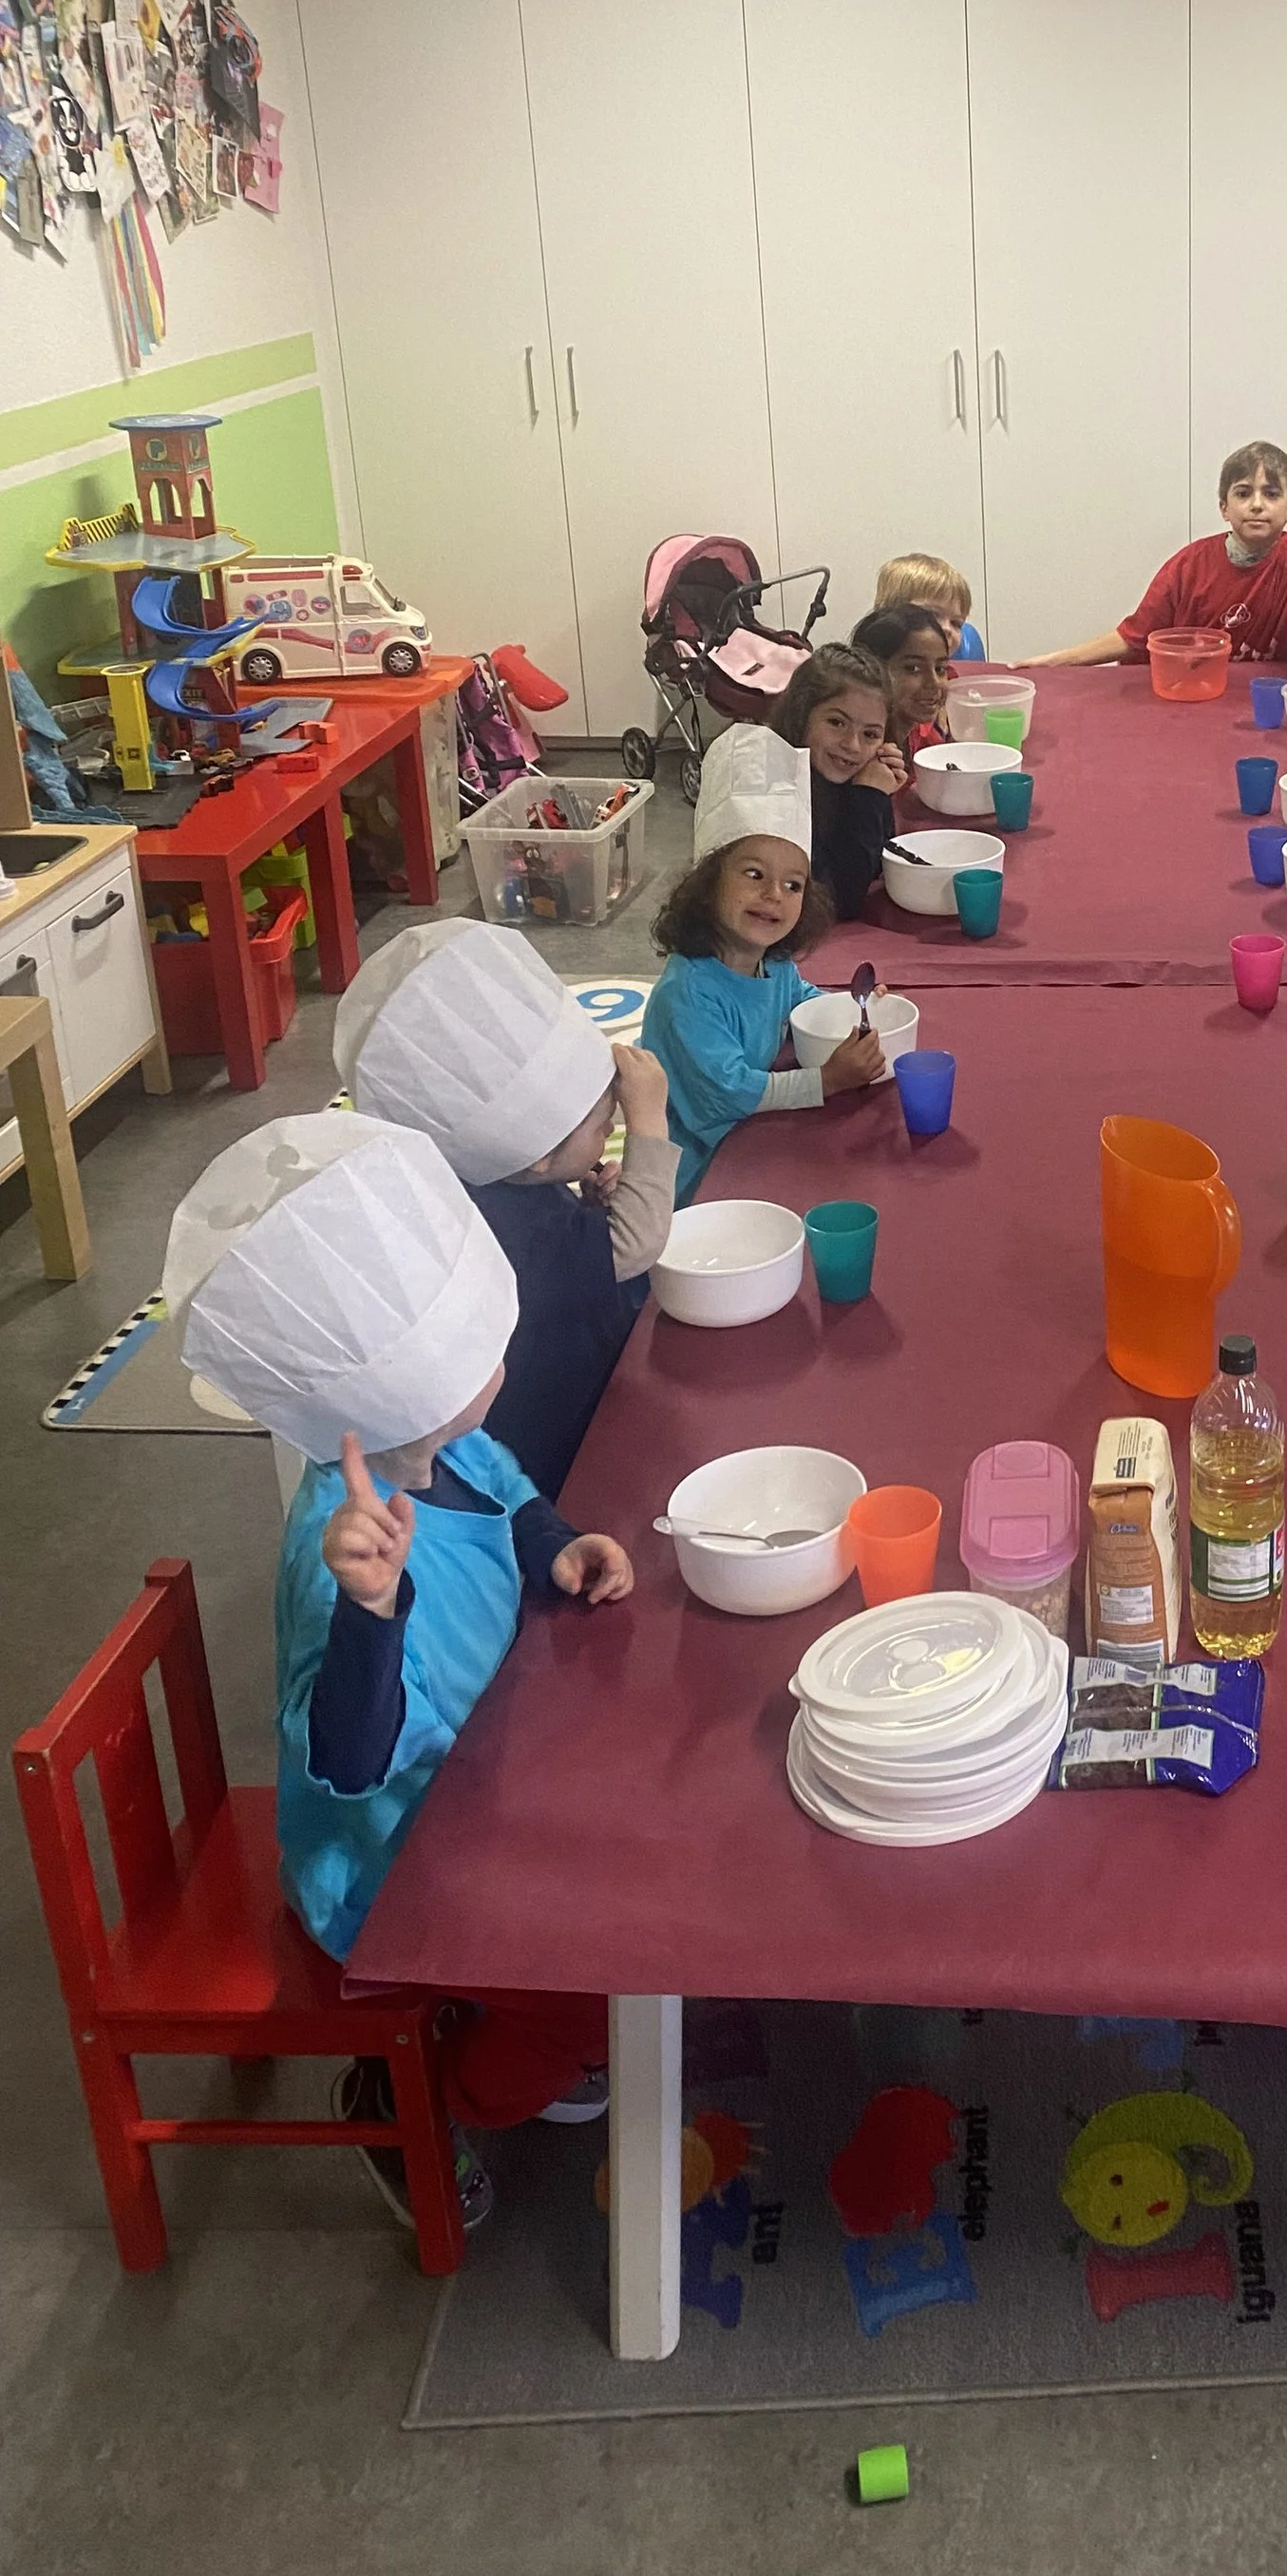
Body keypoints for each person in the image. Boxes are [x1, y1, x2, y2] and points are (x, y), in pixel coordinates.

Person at [164, 1114, 635, 2223]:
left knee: (629, 1910)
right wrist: (374, 1612)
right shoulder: (350, 1554)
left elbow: (509, 1494)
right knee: (598, 1999)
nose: (500, 1365)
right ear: (381, 1399)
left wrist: (556, 1543)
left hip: (492, 1796)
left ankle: (515, 2039)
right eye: (477, 1355)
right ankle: (415, 2097)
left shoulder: (445, 1443)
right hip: (392, 1878)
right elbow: (349, 1755)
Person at [333, 922, 677, 1500]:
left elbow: (575, 1252)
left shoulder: (497, 1177)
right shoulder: (510, 1224)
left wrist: (589, 1212)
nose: (613, 1129)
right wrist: (650, 1122)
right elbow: (636, 1244)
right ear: (539, 1153)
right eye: (602, 1126)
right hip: (560, 1429)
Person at [642, 726, 883, 1201]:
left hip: (754, 1141)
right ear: (708, 882)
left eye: (793, 885)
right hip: (695, 1179)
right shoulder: (688, 993)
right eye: (754, 875)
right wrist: (827, 1080)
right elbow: (731, 1091)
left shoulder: (772, 966)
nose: (774, 895)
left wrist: (850, 1011)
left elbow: (802, 1002)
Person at [1022, 445, 1287, 669]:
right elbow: (1132, 639)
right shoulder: (1188, 565)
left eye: (1271, 494)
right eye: (1244, 493)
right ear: (1224, 508)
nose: (1257, 505)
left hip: (1269, 708)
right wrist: (1054, 662)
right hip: (1189, 700)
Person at [770, 640, 903, 920]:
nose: (853, 746)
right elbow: (837, 900)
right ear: (801, 715)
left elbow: (877, 865)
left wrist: (878, 793)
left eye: (870, 734)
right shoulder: (776, 788)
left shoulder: (856, 772)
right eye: (836, 723)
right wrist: (869, 797)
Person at [848, 601, 954, 769]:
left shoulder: (916, 732)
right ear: (872, 669)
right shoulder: (858, 754)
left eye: (940, 669)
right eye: (913, 668)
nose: (934, 683)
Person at [875, 551, 984, 662]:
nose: (947, 629)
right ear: (887, 618)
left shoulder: (955, 675)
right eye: (931, 615)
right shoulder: (864, 675)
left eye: (956, 623)